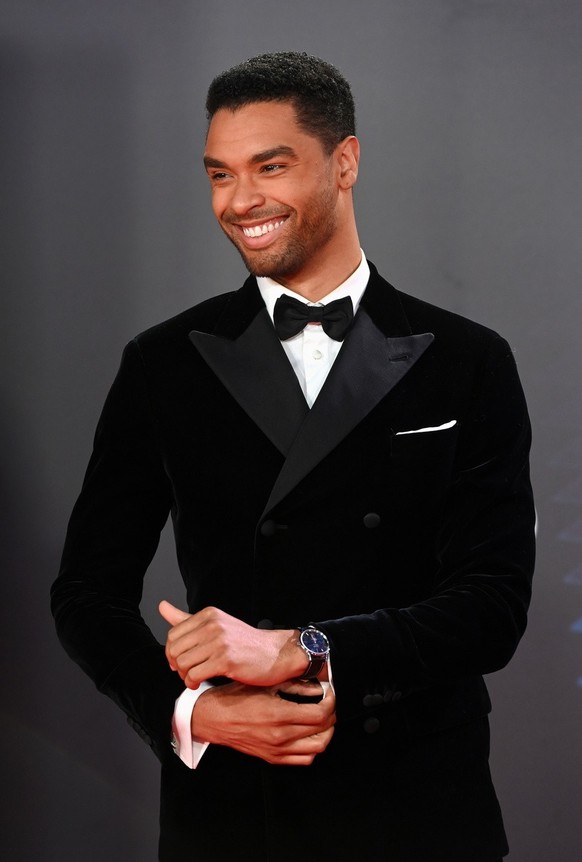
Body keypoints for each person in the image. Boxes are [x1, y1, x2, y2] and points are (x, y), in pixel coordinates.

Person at [51, 52, 535, 862]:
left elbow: (493, 609)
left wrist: (300, 648)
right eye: (219, 175)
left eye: (269, 167)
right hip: (240, 808)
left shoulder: (468, 359)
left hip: (420, 808)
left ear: (344, 163)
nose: (240, 202)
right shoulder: (164, 362)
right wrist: (192, 713)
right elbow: (86, 592)